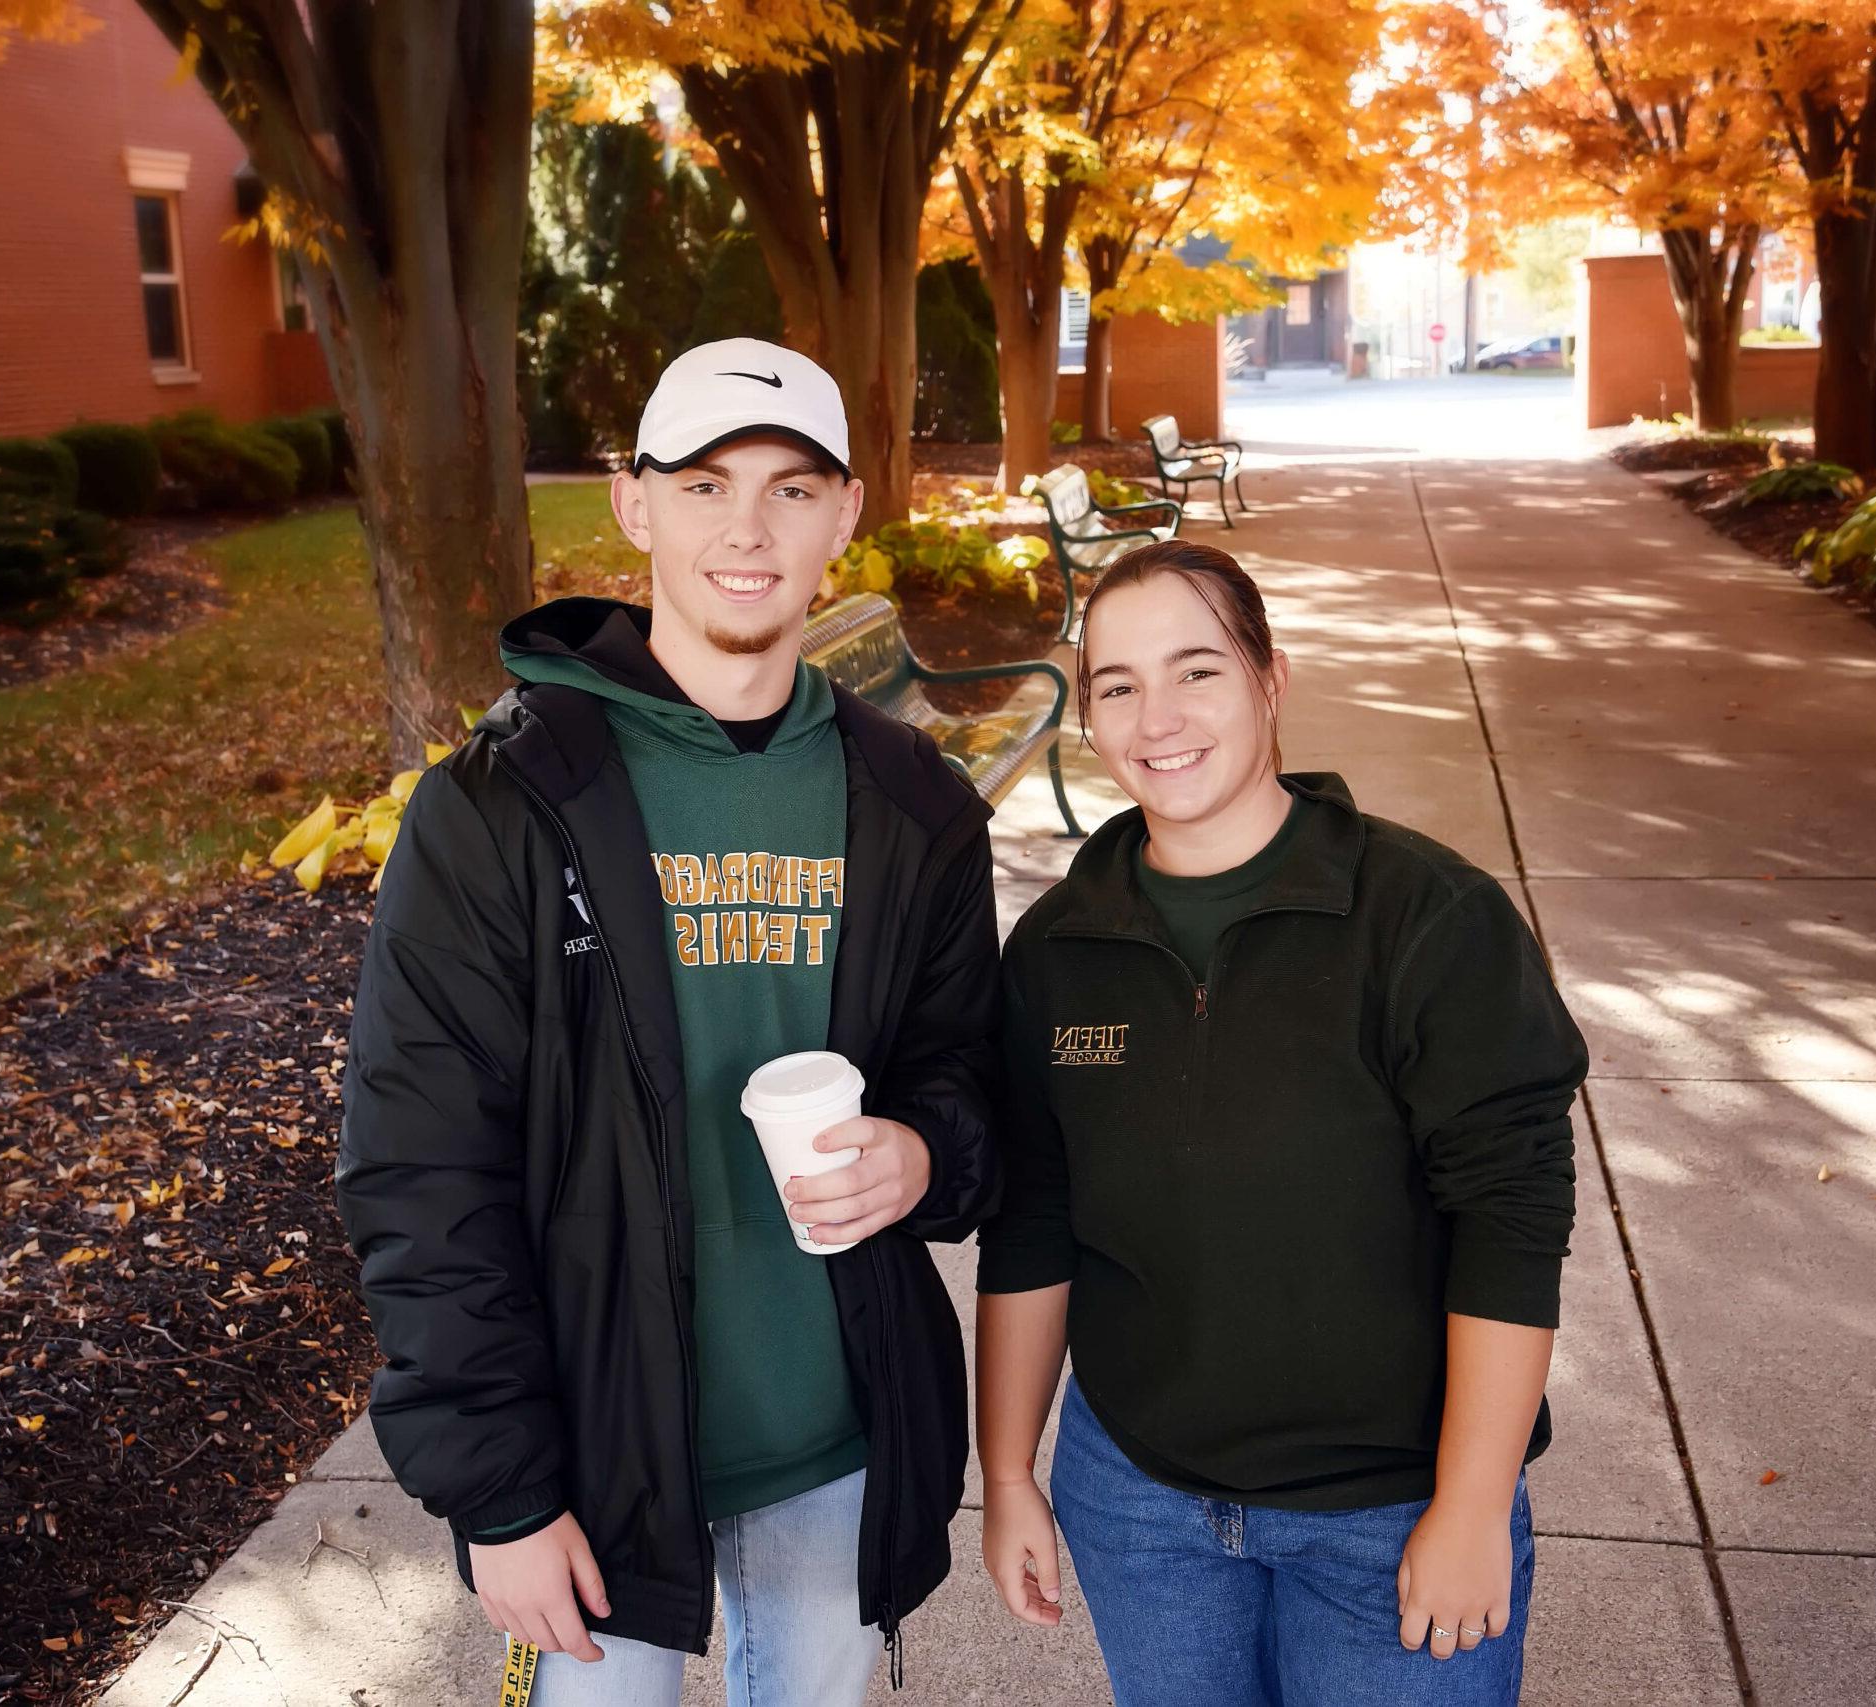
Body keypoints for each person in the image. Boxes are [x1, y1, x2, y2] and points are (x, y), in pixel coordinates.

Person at [336, 338, 1001, 1706]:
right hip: (592, 1450)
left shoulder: (914, 805)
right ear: (634, 506)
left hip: (833, 1432)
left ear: (847, 513)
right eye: (702, 485)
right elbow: (422, 1164)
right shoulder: (505, 808)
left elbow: (969, 1073)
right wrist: (500, 1491)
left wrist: (926, 1152)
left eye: (790, 488)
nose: (746, 530)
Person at [974, 539, 1588, 1705]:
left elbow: (1509, 1222)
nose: (1158, 716)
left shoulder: (1426, 917)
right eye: (1117, 685)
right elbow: (1034, 1221)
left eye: (1196, 670)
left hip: (1389, 1510)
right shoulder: (1058, 948)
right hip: (1140, 1506)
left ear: (1270, 680)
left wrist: (1468, 1506)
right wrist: (1007, 1471)